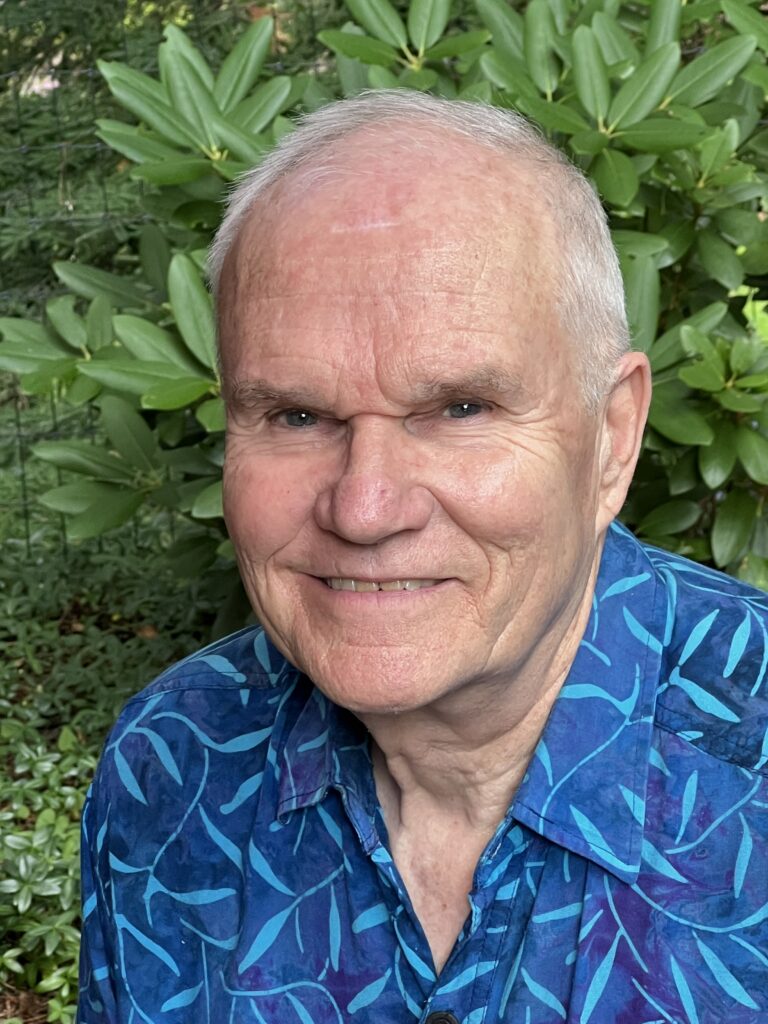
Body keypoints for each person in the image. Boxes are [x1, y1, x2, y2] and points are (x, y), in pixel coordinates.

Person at [78, 91, 767, 1024]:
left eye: (460, 409)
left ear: (612, 437)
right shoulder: (172, 763)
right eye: (296, 415)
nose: (365, 509)